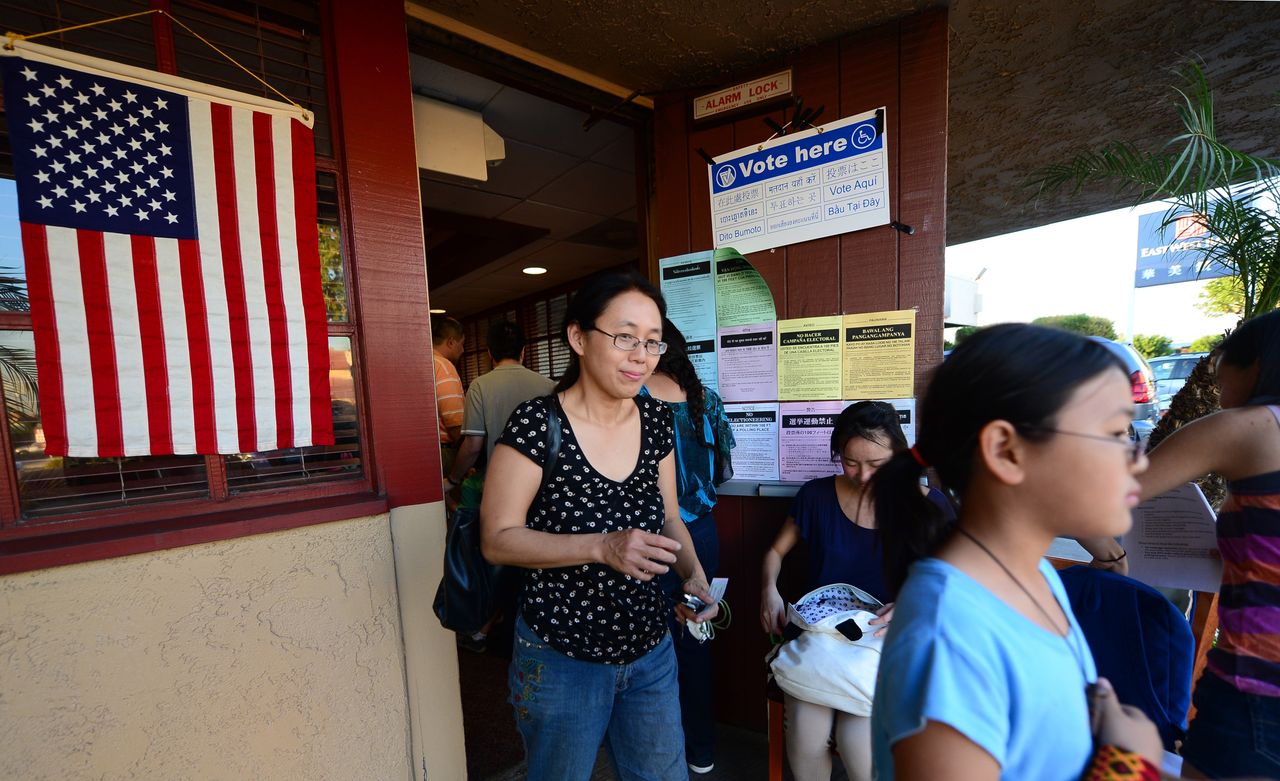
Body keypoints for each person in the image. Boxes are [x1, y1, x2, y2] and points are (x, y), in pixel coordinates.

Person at [871, 323, 1164, 781]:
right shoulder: (951, 635)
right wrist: (1130, 766)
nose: (1139, 458)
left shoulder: (1037, 575)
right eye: (1114, 435)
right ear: (1006, 451)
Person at [480, 270, 718, 781]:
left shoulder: (655, 422)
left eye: (653, 342)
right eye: (625, 336)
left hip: (650, 648)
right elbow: (497, 539)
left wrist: (694, 575)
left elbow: (671, 517)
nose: (641, 356)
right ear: (578, 338)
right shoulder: (536, 423)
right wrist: (602, 547)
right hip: (561, 655)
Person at [760, 401, 951, 781]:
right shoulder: (816, 496)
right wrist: (769, 589)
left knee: (858, 742)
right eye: (850, 462)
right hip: (821, 637)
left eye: (877, 465)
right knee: (805, 738)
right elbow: (775, 551)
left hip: (885, 640)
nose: (863, 476)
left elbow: (954, 580)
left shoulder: (929, 505)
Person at [1127, 310, 1280, 780]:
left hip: (1258, 684)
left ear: (1254, 365)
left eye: (1219, 376)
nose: (1217, 392)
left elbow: (1114, 494)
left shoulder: (1250, 427)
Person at [641, 318, 734, 775]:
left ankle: (659, 751)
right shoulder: (707, 400)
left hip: (650, 538)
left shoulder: (635, 399)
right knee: (696, 635)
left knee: (650, 644)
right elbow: (720, 474)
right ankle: (702, 750)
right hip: (703, 534)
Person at [445, 319, 555, 652]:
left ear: (490, 352)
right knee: (537, 561)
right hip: (545, 491)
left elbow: (473, 445)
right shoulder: (550, 385)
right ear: (524, 351)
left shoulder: (481, 386)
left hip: (500, 492)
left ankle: (487, 627)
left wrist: (452, 479)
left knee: (495, 562)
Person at [431, 314, 465, 479]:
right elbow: (454, 421)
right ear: (451, 342)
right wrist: (466, 457)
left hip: (427, 449)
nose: (463, 350)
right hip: (444, 452)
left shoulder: (423, 362)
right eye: (462, 344)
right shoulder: (443, 367)